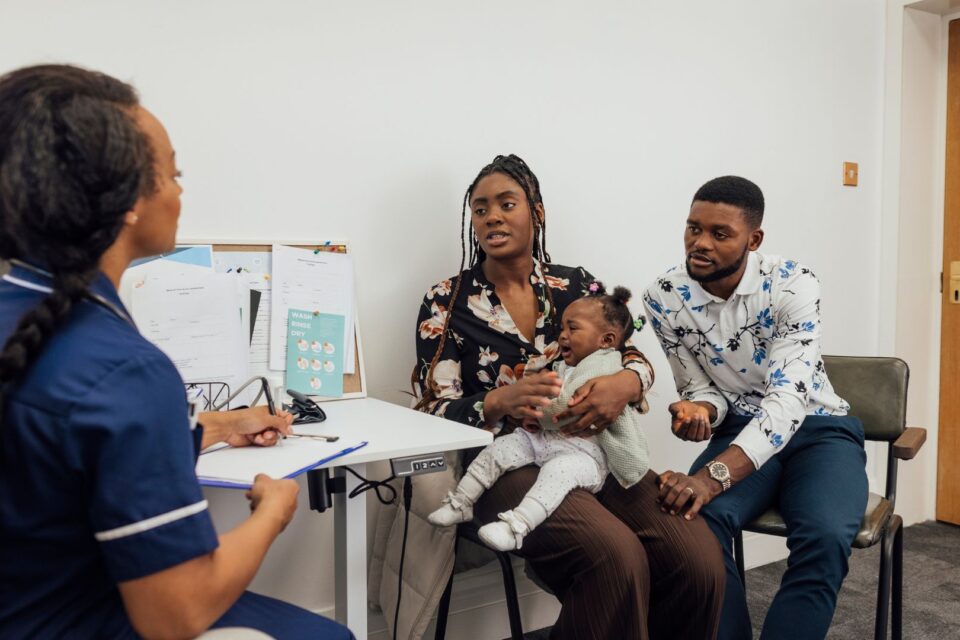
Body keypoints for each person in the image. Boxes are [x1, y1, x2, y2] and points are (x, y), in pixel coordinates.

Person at [0, 64, 352, 640]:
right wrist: (273, 512)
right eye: (173, 174)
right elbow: (177, 614)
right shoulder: (125, 370)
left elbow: (66, 454)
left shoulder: (35, 330)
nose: (181, 192)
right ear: (130, 202)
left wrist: (215, 426)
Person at [413, 154, 724, 640]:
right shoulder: (447, 301)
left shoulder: (576, 285)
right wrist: (499, 401)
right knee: (615, 557)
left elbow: (632, 357)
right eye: (480, 208)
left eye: (506, 203)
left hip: (599, 454)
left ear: (536, 212)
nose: (491, 216)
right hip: (507, 462)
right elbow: (431, 410)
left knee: (695, 557)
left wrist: (626, 383)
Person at [642, 176, 868, 640]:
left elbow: (787, 403)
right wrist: (700, 412)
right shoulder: (664, 296)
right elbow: (702, 388)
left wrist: (709, 478)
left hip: (819, 430)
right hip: (739, 431)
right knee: (693, 526)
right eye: (692, 228)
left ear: (754, 239)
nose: (700, 244)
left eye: (719, 234)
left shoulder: (792, 284)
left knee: (824, 537)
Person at [427, 285, 650, 552]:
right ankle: (461, 502)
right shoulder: (568, 364)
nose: (563, 336)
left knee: (558, 473)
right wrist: (529, 414)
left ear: (606, 340)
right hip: (545, 440)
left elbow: (565, 406)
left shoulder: (605, 364)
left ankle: (516, 526)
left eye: (572, 329)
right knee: (500, 448)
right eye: (562, 329)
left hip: (584, 455)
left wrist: (535, 409)